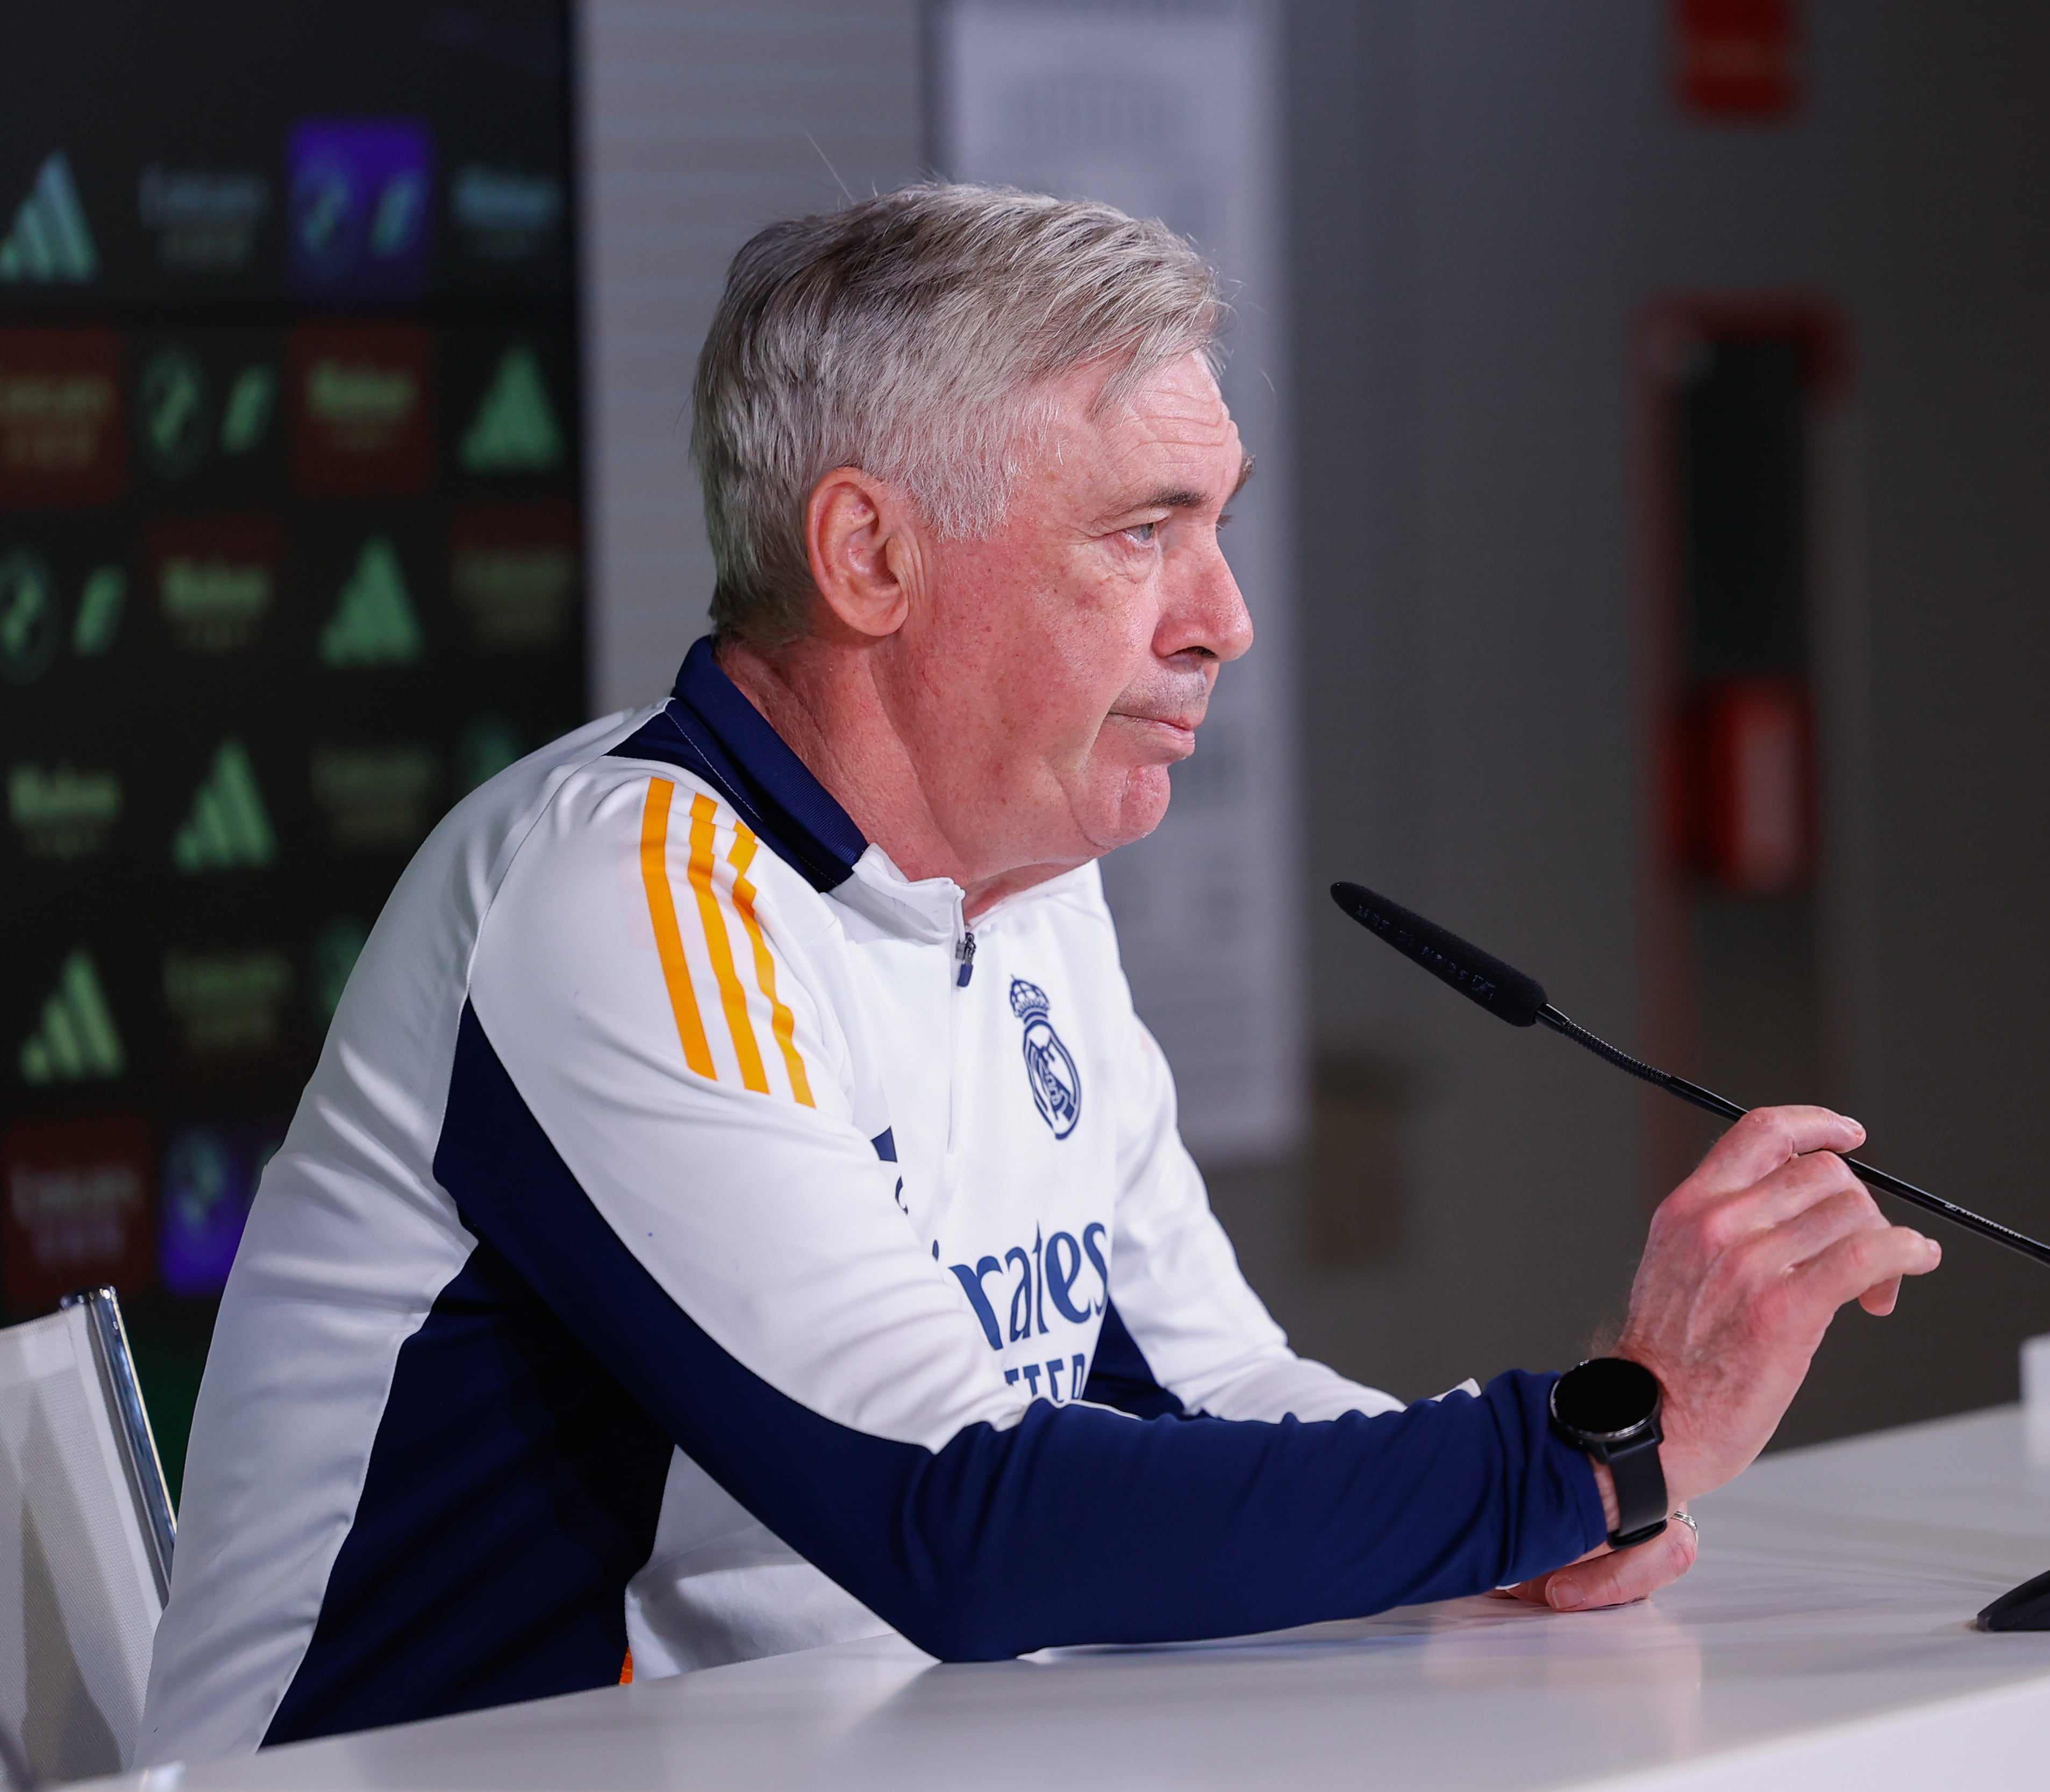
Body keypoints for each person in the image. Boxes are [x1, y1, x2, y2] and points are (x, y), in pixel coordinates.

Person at [136, 184, 1941, 1765]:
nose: (1221, 615)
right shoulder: (620, 896)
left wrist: (1541, 1518)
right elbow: (964, 1521)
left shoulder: (1028, 888)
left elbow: (1200, 1386)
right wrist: (1567, 1456)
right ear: (871, 556)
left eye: (1218, 525)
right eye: (1140, 529)